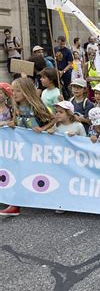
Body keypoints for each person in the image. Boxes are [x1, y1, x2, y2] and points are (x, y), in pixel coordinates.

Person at [0, 78, 54, 217]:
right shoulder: (15, 107)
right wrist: (12, 123)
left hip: (38, 149)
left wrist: (43, 129)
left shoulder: (37, 107)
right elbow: (16, 122)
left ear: (26, 91)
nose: (14, 93)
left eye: (17, 90)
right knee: (18, 174)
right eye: (13, 90)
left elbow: (53, 119)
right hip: (22, 149)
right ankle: (15, 204)